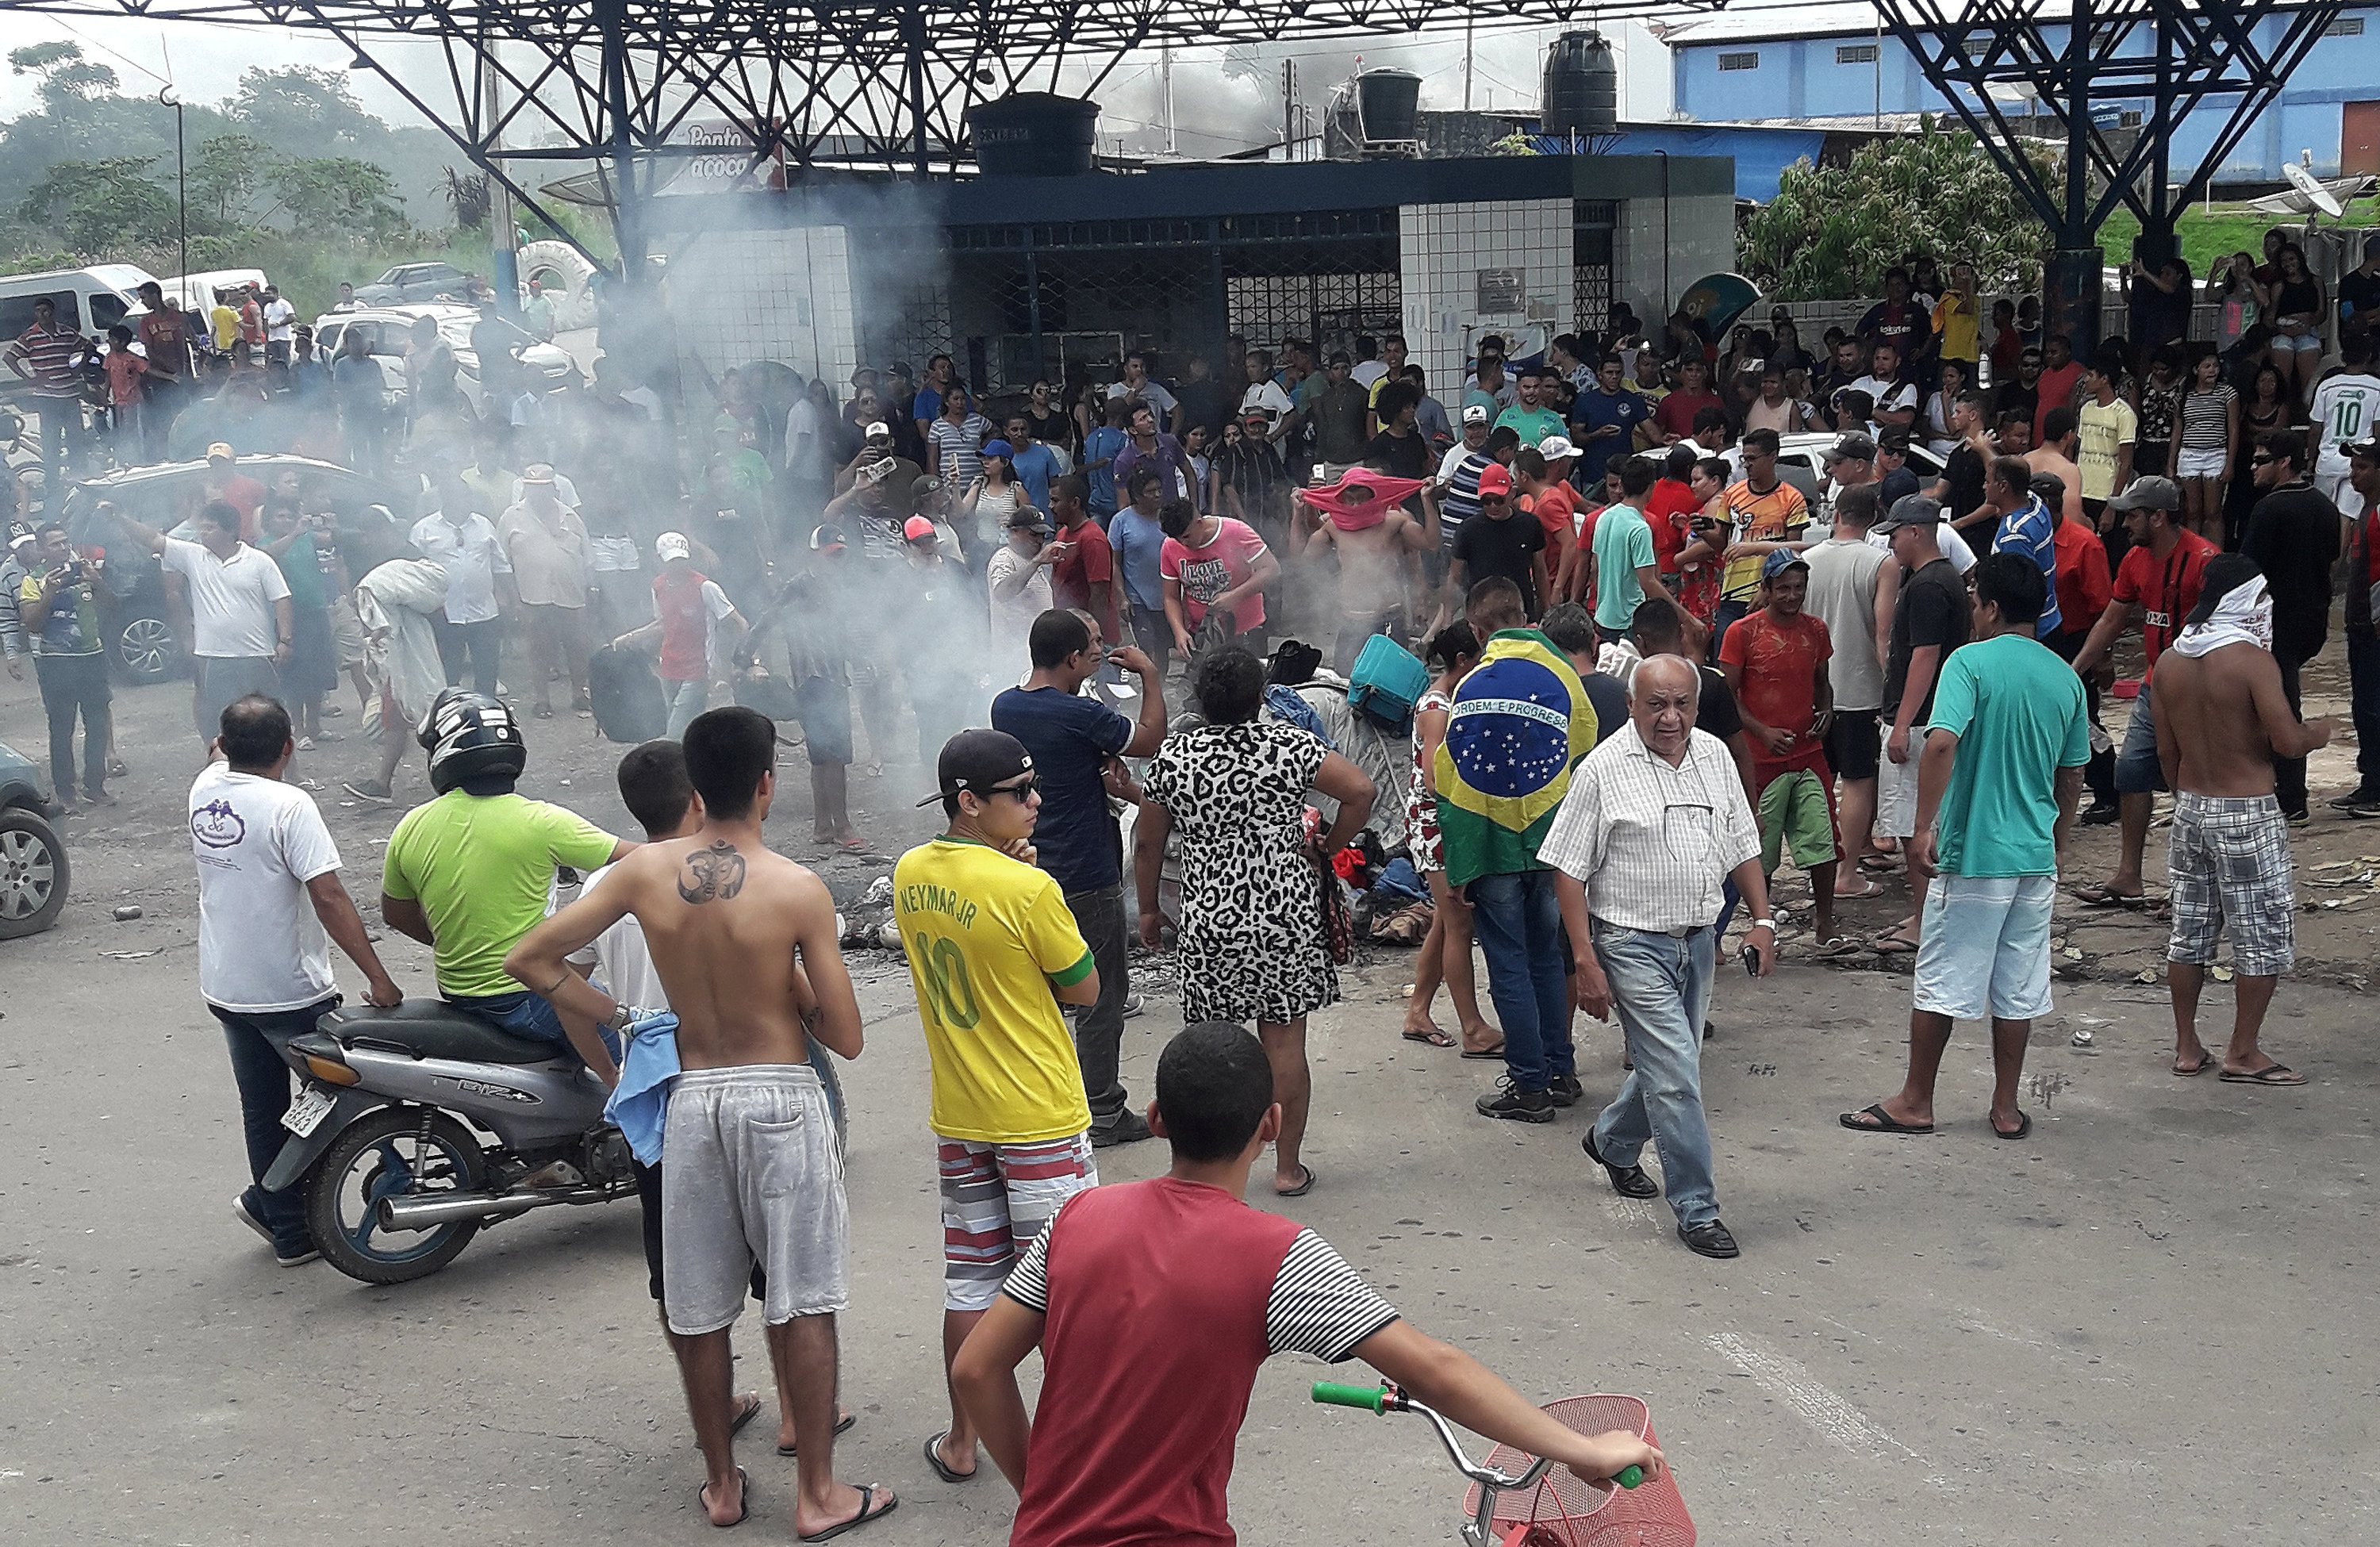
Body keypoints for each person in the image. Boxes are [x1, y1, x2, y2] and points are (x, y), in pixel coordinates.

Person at [948, 1021, 1663, 1541]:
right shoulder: (1279, 1257)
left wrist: (1042, 1496)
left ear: (1158, 1120)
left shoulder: (1078, 1216)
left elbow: (977, 1368)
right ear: (1272, 1124)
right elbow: (1434, 1371)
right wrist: (1581, 1448)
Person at [506, 707, 887, 1537]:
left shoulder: (643, 874)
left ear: (694, 787)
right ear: (764, 783)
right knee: (802, 1300)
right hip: (780, 1095)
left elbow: (528, 959)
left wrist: (624, 1017)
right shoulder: (796, 887)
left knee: (699, 1306)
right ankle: (818, 1494)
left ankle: (721, 1485)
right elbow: (847, 1037)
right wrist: (788, 984)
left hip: (692, 1096)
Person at [883, 728, 1104, 1489]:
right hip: (1039, 1115)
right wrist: (1029, 888)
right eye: (1020, 792)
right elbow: (1085, 988)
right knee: (1064, 1296)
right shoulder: (1030, 891)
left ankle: (962, 1439)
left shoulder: (912, 870)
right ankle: (1073, 1456)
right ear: (970, 803)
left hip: (962, 1117)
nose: (1037, 801)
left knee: (974, 1286)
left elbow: (970, 923)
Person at [1842, 554, 2086, 1142]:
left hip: (1974, 851)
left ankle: (1916, 1100)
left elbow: (1942, 743)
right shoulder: (2065, 676)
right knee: (2020, 983)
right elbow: (2072, 772)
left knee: (1943, 977)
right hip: (2032, 856)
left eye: (1976, 601)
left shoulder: (1969, 663)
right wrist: (2058, 840)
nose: (1972, 612)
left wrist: (1923, 826)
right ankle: (2005, 1107)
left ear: (1993, 608)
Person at [1542, 654, 1773, 1260]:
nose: (1670, 719)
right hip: (1630, 942)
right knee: (1677, 1077)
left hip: (1697, 942)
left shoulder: (1714, 757)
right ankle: (1697, 1208)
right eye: (1656, 705)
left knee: (1672, 1063)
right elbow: (1567, 870)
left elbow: (1742, 843)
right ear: (1630, 705)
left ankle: (1613, 1141)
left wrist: (1764, 920)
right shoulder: (1603, 769)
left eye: (1683, 705)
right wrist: (1586, 960)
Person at [1135, 649, 1376, 1196]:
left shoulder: (1176, 757)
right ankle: (1287, 1169)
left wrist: (1149, 908)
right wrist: (1328, 847)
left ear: (1202, 700)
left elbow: (1148, 841)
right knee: (1285, 1046)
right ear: (1259, 698)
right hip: (1284, 917)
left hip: (1210, 920)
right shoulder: (1289, 746)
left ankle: (1210, 1171)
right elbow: (1361, 791)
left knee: (1212, 1051)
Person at [194, 695, 403, 1269]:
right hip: (288, 990)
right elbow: (329, 896)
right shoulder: (290, 805)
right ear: (288, 748)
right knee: (340, 1096)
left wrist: (228, 741)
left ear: (227, 746)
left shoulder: (205, 786)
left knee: (264, 1109)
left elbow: (216, 749)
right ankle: (294, 1205)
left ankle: (284, 1224)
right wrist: (379, 977)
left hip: (226, 985)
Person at [381, 689, 631, 1066]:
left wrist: (460, 940)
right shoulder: (542, 821)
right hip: (527, 995)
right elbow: (647, 863)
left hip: (458, 993)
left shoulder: (412, 825)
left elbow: (396, 914)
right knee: (635, 1047)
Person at [2149, 559, 2328, 1086]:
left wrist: (2189, 789)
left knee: (2190, 930)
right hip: (2246, 810)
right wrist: (2322, 731)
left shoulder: (2168, 664)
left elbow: (2166, 752)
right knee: (2261, 932)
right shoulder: (2251, 661)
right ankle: (2243, 1051)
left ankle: (2187, 1045)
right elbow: (2287, 741)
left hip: (2191, 808)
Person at [992, 612, 1168, 1147]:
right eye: (1092, 646)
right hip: (1087, 873)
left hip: (1029, 869)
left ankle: (1037, 1103)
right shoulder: (1081, 714)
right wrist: (1151, 677)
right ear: (1070, 658)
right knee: (1101, 997)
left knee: (1037, 994)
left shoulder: (1006, 705)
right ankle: (1104, 1111)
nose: (1101, 651)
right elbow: (1151, 739)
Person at [1436, 578, 1597, 1122]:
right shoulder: (1564, 677)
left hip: (1494, 849)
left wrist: (1459, 862)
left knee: (1508, 964)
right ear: (1529, 616)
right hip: (1553, 846)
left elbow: (1453, 780)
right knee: (1548, 957)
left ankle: (1528, 1086)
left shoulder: (1471, 686)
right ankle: (1560, 1070)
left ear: (1477, 631)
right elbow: (1583, 752)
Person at [2070, 477, 2219, 907]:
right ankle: (2129, 876)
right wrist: (2076, 668)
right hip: (2155, 686)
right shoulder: (2136, 559)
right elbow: (2111, 621)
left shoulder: (2205, 560)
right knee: (2131, 775)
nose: (2124, 521)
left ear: (2158, 517)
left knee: (2191, 786)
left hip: (2195, 691)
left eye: (2133, 513)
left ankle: (2197, 885)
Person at [1719, 552, 1844, 952]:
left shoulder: (1816, 630)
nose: (1792, 596)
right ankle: (1761, 923)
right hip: (1761, 760)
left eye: (1798, 588)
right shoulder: (1742, 633)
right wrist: (1761, 731)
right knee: (1760, 847)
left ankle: (1825, 924)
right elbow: (1728, 697)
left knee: (1823, 842)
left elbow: (1822, 680)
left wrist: (1826, 711)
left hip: (1808, 754)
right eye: (1784, 588)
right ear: (1766, 590)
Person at [1868, 497, 1972, 955]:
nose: (1890, 542)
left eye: (1894, 533)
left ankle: (1927, 920)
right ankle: (1925, 910)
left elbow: (1924, 655)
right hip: (1930, 715)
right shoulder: (1941, 576)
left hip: (1921, 719)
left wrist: (1901, 723)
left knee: (1914, 823)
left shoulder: (1930, 584)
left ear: (1915, 531)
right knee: (1917, 820)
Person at [1398, 622, 1501, 1056]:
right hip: (1436, 823)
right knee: (1459, 922)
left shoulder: (1440, 699)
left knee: (1445, 920)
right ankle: (1473, 1028)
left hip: (1434, 821)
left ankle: (1418, 1010)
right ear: (1463, 661)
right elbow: (1434, 778)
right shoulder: (1438, 707)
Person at [113, 500, 293, 747]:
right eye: (203, 527)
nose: (203, 533)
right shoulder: (193, 556)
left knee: (273, 719)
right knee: (220, 722)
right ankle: (224, 773)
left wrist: (285, 639)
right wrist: (119, 517)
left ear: (230, 530)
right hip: (213, 657)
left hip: (257, 654)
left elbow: (281, 599)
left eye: (210, 528)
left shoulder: (259, 561)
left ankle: (289, 774)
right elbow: (153, 540)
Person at [2241, 428, 2341, 825]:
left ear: (2284, 463)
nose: (2253, 467)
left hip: (2276, 621)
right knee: (2283, 697)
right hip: (2312, 619)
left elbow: (2248, 570)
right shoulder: (2323, 505)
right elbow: (2331, 558)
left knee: (2280, 705)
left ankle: (2291, 797)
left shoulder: (2270, 510)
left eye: (2261, 459)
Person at [1802, 485, 1895, 892]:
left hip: (1815, 689)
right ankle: (1846, 873)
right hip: (1861, 689)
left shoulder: (1806, 560)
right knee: (1859, 781)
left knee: (1821, 783)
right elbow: (1883, 632)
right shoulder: (1881, 563)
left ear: (1835, 514)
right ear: (1872, 520)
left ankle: (1820, 871)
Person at [611, 532, 746, 739]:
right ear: (660, 560)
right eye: (672, 560)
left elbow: (737, 622)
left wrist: (734, 661)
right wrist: (631, 637)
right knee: (688, 728)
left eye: (681, 560)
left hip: (698, 669)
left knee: (674, 733)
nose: (677, 565)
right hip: (669, 666)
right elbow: (664, 624)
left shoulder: (705, 587)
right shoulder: (658, 586)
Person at [1299, 466, 1434, 671]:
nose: (1356, 505)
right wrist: (1302, 507)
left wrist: (1420, 601)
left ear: (1376, 496)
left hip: (1388, 615)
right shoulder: (1333, 523)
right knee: (1347, 679)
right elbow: (1304, 554)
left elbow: (1421, 552)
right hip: (1352, 619)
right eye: (1350, 499)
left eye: (1362, 498)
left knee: (1391, 681)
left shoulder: (1397, 518)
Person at [17, 524, 113, 812]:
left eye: (64, 542)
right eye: (55, 544)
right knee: (61, 728)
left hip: (91, 657)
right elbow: (31, 624)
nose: (62, 548)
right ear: (43, 550)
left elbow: (112, 607)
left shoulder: (84, 571)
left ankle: (95, 786)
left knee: (97, 724)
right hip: (56, 662)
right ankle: (65, 792)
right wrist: (49, 593)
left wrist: (97, 582)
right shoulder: (32, 580)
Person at [496, 465, 593, 719]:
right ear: (526, 488)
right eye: (533, 488)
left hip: (570, 592)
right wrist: (510, 596)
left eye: (543, 487)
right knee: (539, 648)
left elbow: (588, 554)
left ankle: (579, 694)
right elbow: (501, 560)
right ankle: (542, 699)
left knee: (577, 645)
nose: (538, 493)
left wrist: (590, 586)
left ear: (553, 488)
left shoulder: (570, 516)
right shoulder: (511, 517)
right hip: (532, 595)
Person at [409, 474, 509, 697]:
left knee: (487, 675)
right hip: (444, 614)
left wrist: (508, 597)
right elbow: (414, 573)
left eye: (466, 495)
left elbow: (501, 565)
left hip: (484, 612)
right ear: (445, 498)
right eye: (457, 495)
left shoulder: (484, 525)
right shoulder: (423, 530)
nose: (464, 500)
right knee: (447, 676)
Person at [1712, 428, 1811, 651]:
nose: (1746, 465)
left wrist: (1765, 591)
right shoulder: (1732, 495)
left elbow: (1791, 554)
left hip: (1772, 594)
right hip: (1732, 591)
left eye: (1752, 459)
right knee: (1726, 659)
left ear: (1773, 456)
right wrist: (1702, 531)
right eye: (1744, 459)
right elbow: (1721, 543)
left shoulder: (1792, 498)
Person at [1159, 498, 1277, 661]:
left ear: (1199, 523)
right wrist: (1179, 631)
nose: (1183, 543)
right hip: (1202, 633)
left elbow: (1271, 569)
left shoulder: (1236, 531)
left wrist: (1234, 596)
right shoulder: (1169, 546)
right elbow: (1170, 596)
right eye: (1177, 539)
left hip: (1246, 630)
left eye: (1187, 536)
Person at [5, 296, 90, 490]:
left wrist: (79, 369)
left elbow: (86, 347)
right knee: (51, 442)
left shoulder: (67, 333)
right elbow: (10, 358)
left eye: (45, 311)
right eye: (38, 311)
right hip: (47, 398)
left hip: (69, 396)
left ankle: (80, 479)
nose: (42, 315)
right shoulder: (30, 336)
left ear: (52, 312)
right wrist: (29, 380)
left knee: (76, 439)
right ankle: (53, 482)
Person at [1445, 463, 1549, 620]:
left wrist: (1546, 607)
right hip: (1482, 615)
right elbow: (1454, 577)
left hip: (1520, 612)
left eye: (1499, 500)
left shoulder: (1530, 524)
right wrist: (1447, 617)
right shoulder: (1468, 529)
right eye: (1486, 501)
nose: (1493, 506)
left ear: (1512, 494)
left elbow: (1540, 569)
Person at [2340, 440, 2380, 817]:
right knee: (2364, 707)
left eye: (2363, 468)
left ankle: (2377, 788)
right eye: (2353, 467)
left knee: (2373, 708)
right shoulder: (2364, 510)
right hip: (2359, 625)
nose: (2354, 474)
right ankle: (2370, 782)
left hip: (2372, 629)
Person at [2306, 334, 2380, 518]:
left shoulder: (2326, 385)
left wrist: (2310, 460)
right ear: (2369, 356)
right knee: (2349, 521)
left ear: (2343, 356)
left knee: (2323, 519)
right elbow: (2378, 431)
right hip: (2359, 462)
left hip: (2328, 461)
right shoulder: (2377, 387)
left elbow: (2315, 429)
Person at [2171, 350, 2240, 543]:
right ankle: (2191, 553)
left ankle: (2216, 553)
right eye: (2207, 366)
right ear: (2196, 370)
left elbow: (2233, 428)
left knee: (2213, 511)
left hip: (2216, 454)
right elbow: (2177, 431)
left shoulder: (2227, 393)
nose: (2212, 371)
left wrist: (2230, 464)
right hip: (2189, 454)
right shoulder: (2184, 396)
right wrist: (2171, 463)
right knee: (2192, 511)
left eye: (2215, 366)